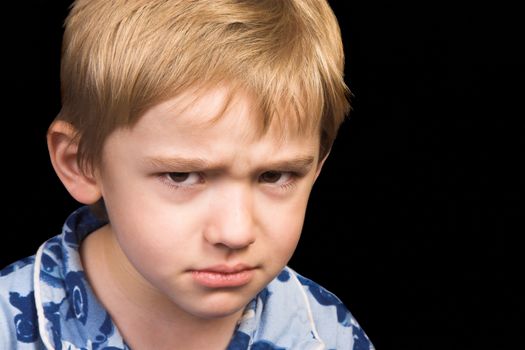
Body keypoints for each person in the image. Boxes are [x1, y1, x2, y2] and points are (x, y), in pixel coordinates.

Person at [0, 0, 375, 348]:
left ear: (318, 165)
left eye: (274, 175)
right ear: (80, 162)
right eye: (180, 176)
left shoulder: (330, 335)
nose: (235, 232)